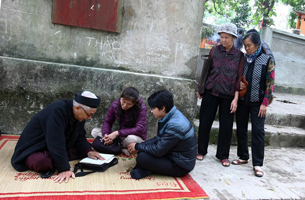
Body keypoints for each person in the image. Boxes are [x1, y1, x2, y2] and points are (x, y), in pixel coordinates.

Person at [11, 91, 104, 183]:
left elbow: (79, 136)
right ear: (77, 108)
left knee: (83, 149)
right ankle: (58, 158)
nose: (89, 118)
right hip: (37, 146)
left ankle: (57, 158)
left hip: (59, 145)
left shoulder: (80, 115)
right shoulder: (57, 111)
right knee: (41, 162)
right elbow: (55, 141)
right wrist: (64, 169)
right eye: (89, 114)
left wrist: (88, 151)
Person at [196, 23, 245, 167]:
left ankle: (223, 155)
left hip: (228, 94)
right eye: (222, 37)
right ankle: (201, 150)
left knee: (226, 126)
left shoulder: (239, 55)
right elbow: (206, 70)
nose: (223, 40)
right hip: (211, 90)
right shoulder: (215, 51)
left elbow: (238, 78)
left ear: (233, 38)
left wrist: (236, 99)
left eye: (226, 37)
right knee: (205, 121)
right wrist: (201, 88)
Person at [232, 32, 275, 177]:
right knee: (241, 129)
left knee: (258, 132)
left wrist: (265, 103)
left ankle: (257, 164)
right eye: (244, 45)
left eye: (249, 45)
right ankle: (243, 156)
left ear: (257, 44)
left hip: (258, 103)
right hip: (244, 100)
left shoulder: (267, 59)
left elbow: (270, 83)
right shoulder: (243, 59)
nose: (246, 48)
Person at [127, 90, 197, 179]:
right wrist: (139, 145)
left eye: (153, 108)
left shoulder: (175, 125)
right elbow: (159, 139)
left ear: (162, 108)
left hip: (180, 166)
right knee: (143, 149)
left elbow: (158, 150)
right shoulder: (171, 115)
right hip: (172, 154)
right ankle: (148, 168)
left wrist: (137, 146)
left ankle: (148, 169)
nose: (151, 111)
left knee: (142, 157)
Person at [91, 87, 147, 156]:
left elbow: (139, 129)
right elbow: (107, 122)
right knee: (95, 132)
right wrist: (106, 135)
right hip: (120, 137)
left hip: (134, 137)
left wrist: (117, 133)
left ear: (135, 103)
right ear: (121, 96)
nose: (125, 105)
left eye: (129, 104)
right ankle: (120, 148)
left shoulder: (141, 108)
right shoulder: (115, 104)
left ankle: (116, 148)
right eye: (123, 101)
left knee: (131, 138)